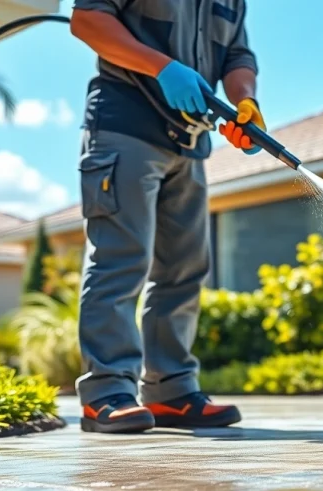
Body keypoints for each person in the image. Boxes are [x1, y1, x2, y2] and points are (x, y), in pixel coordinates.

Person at [69, 0, 262, 433]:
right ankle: (106, 392)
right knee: (122, 258)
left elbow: (237, 56)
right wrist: (162, 67)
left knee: (185, 268)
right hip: (125, 126)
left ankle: (171, 391)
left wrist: (244, 102)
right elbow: (87, 20)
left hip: (190, 141)